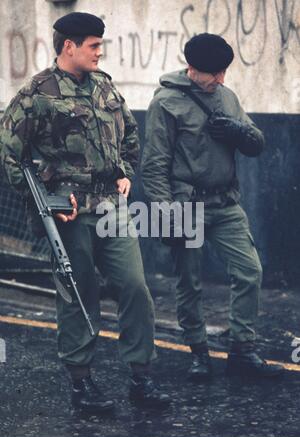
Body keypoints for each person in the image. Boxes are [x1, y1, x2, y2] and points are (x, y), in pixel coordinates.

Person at [0, 12, 169, 410]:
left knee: (136, 288)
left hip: (112, 208)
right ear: (68, 47)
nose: (99, 52)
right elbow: (10, 156)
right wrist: (46, 204)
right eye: (93, 45)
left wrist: (126, 171)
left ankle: (141, 378)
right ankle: (81, 384)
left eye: (100, 45)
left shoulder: (105, 87)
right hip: (69, 212)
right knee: (79, 294)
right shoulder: (36, 94)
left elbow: (129, 131)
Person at [141, 33, 284, 380]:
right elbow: (154, 165)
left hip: (225, 204)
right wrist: (165, 214)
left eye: (223, 72)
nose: (220, 79)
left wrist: (237, 131)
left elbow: (256, 143)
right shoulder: (166, 103)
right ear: (192, 69)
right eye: (214, 73)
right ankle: (198, 353)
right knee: (189, 282)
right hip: (185, 206)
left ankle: (242, 350)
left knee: (250, 271)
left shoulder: (226, 96)